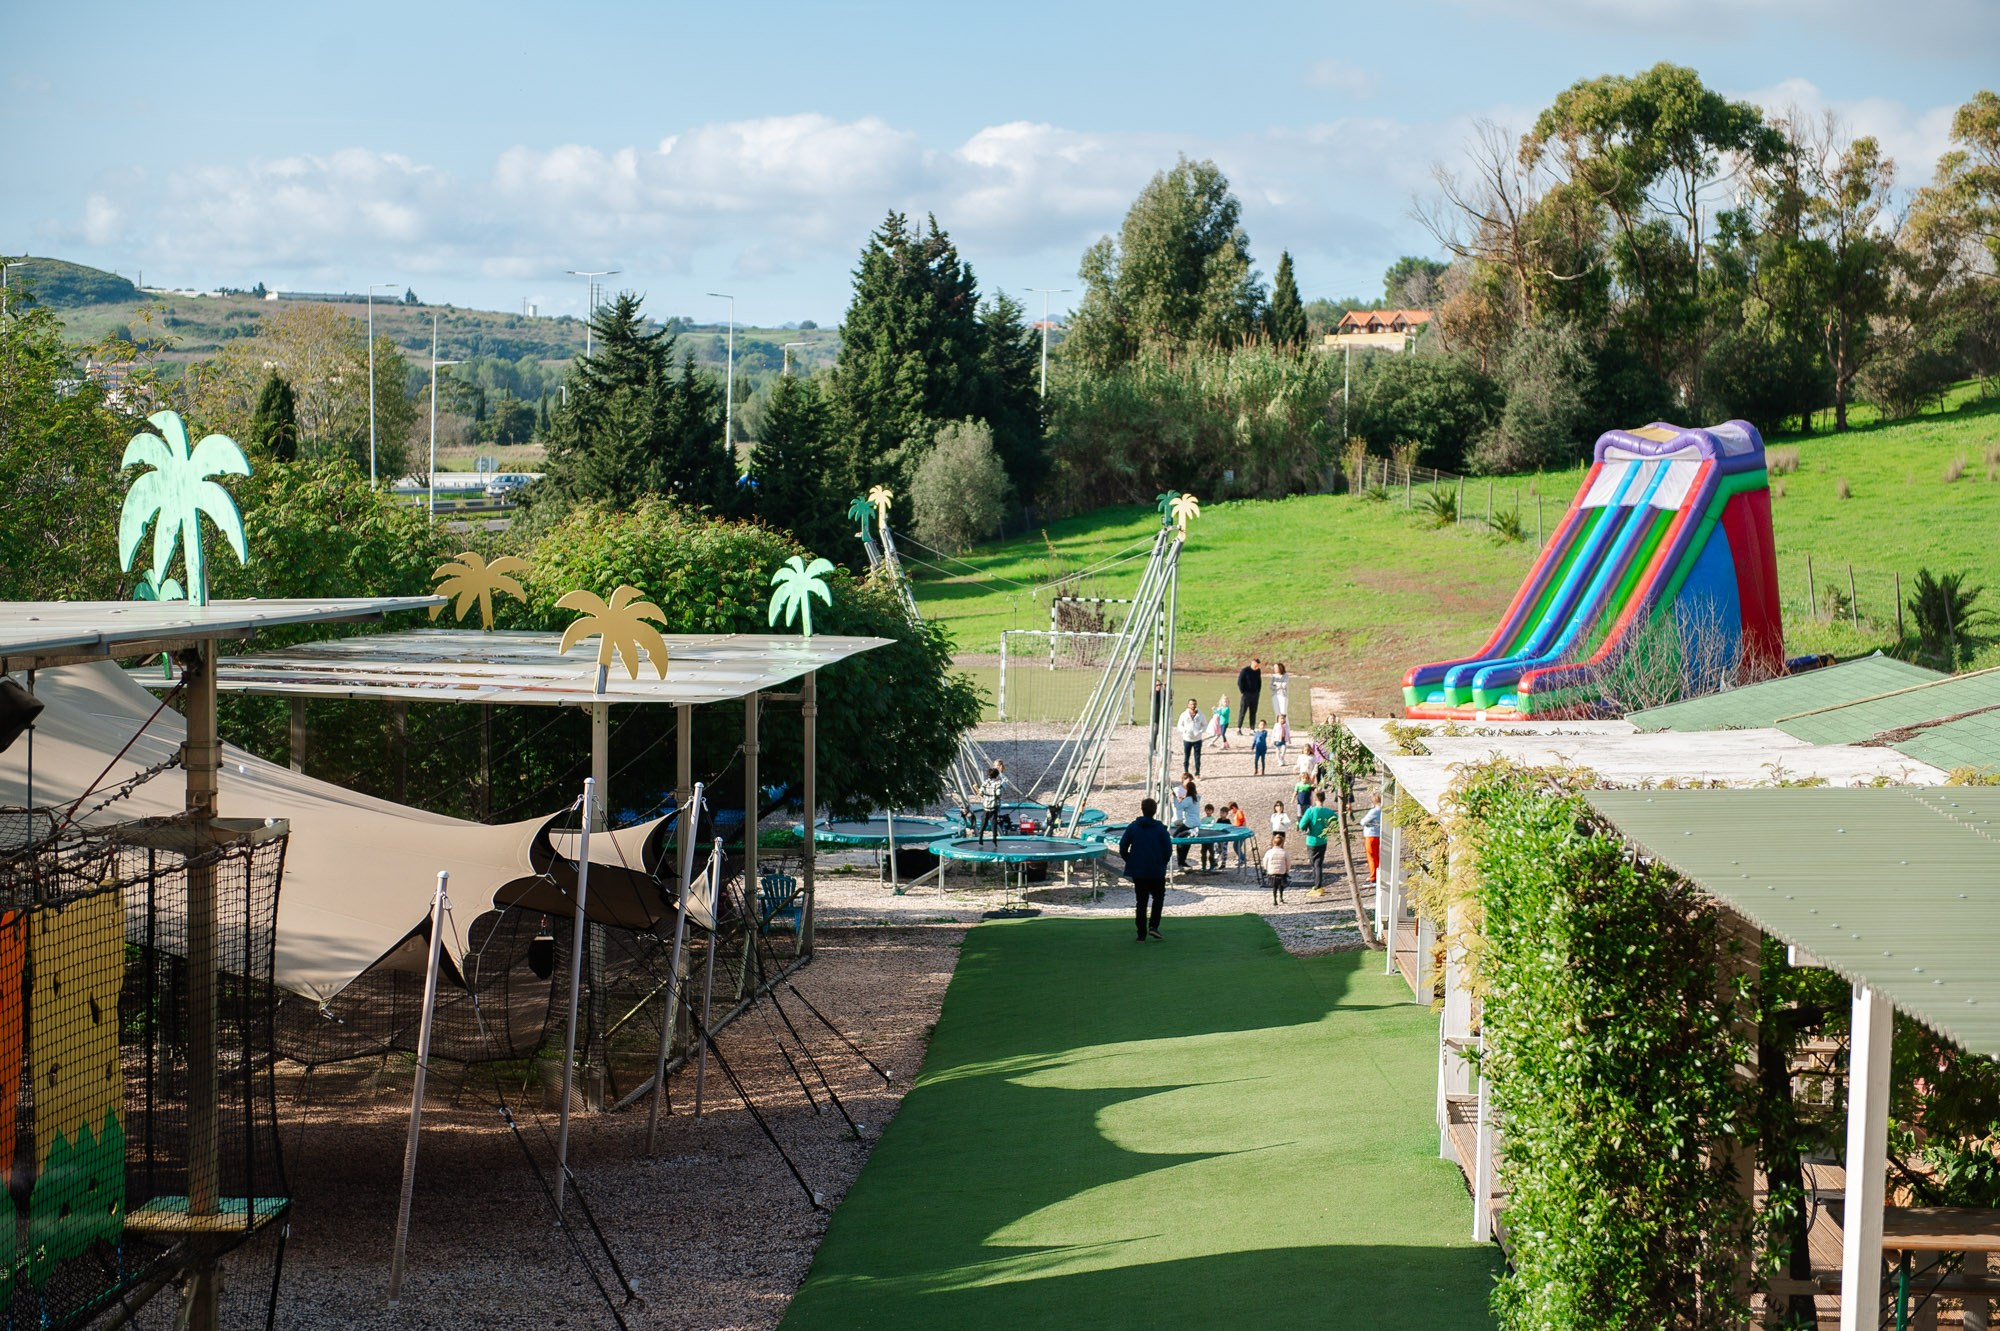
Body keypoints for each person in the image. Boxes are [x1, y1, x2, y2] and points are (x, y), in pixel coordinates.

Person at [1118, 796, 1173, 942]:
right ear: (1155, 811)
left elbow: (1123, 846)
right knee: (1158, 897)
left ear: (1142, 810)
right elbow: (1168, 849)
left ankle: (1141, 934)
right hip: (1156, 870)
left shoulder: (1133, 827)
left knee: (1141, 901)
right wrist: (1162, 862)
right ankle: (1153, 926)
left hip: (1139, 870)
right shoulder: (1160, 829)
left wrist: (1130, 860)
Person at [1297, 790, 1338, 892]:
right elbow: (1336, 821)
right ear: (1324, 799)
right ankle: (1317, 883)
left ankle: (1317, 885)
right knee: (1319, 863)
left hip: (1311, 841)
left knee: (1314, 863)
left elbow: (1301, 825)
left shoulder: (1310, 811)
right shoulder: (1328, 811)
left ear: (1314, 799)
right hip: (1323, 840)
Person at [1171, 779, 1201, 871]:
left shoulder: (1189, 799)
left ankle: (1181, 861)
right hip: (1196, 823)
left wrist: (1175, 798)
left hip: (1189, 823)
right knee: (1187, 843)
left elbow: (1179, 807)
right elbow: (1189, 801)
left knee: (1176, 837)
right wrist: (1182, 798)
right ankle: (1182, 861)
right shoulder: (1197, 797)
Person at [975, 763, 1007, 844]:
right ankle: (994, 838)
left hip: (986, 807)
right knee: (993, 822)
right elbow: (998, 794)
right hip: (993, 807)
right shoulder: (997, 784)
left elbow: (981, 792)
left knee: (984, 822)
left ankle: (980, 836)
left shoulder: (985, 783)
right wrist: (1002, 786)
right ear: (996, 776)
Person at [1176, 699, 1206, 776]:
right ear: (1188, 705)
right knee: (1186, 756)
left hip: (1197, 739)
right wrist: (1185, 730)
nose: (1193, 706)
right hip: (1187, 739)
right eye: (1191, 704)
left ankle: (1197, 773)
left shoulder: (1201, 715)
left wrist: (1200, 731)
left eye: (1194, 704)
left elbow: (1205, 725)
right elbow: (1179, 725)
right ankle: (1186, 771)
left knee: (1197, 757)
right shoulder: (1184, 715)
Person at [1361, 790, 1384, 886]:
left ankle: (1373, 877)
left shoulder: (1374, 811)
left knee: (1371, 857)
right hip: (1379, 835)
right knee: (1377, 856)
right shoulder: (1383, 811)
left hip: (1371, 836)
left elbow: (1363, 822)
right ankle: (1378, 874)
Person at [1262, 831, 1291, 905]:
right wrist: (1287, 870)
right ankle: (1281, 898)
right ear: (1282, 843)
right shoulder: (1284, 852)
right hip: (1281, 872)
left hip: (1272, 872)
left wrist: (1266, 869)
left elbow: (1265, 862)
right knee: (1281, 886)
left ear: (1273, 842)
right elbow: (1288, 863)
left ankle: (1274, 900)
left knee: (1274, 887)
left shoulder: (1269, 852)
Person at [1237, 657, 1263, 732]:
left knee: (1253, 712)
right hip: (1246, 694)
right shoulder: (1245, 671)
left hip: (1255, 694)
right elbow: (1240, 682)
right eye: (1255, 665)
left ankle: (1252, 728)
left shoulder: (1258, 671)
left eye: (1258, 666)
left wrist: (1258, 691)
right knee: (1242, 711)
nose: (1256, 667)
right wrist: (1243, 691)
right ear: (1252, 663)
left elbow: (1259, 681)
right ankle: (1239, 728)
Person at [1228, 801, 1250, 870]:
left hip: (1240, 832)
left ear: (1233, 808)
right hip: (1238, 832)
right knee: (1236, 846)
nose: (1231, 812)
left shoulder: (1239, 813)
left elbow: (1243, 822)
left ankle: (1242, 859)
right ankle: (1242, 858)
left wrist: (1243, 831)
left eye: (1231, 810)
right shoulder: (1237, 814)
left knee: (1236, 846)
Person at [1198, 802, 1219, 871]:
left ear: (1212, 811)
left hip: (1210, 839)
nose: (1208, 811)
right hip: (1204, 838)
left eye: (1210, 810)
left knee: (1212, 853)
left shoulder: (1213, 819)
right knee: (1203, 854)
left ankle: (1212, 866)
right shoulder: (1203, 820)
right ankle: (1203, 866)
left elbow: (1213, 827)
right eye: (1207, 810)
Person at [1270, 661, 1290, 729]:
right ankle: (1277, 729)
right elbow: (1271, 686)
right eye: (1274, 668)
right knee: (1277, 713)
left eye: (1276, 667)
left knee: (1283, 712)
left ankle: (1286, 729)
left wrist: (1276, 685)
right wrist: (1277, 685)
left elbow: (1284, 685)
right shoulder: (1273, 676)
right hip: (1275, 695)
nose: (1275, 669)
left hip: (1283, 695)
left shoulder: (1285, 675)